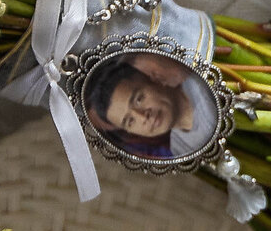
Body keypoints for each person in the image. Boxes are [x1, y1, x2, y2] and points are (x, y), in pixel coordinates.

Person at [85, 52, 213, 161]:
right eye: (130, 121)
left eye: (138, 100)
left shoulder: (206, 88)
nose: (142, 116)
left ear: (155, 79)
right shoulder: (179, 147)